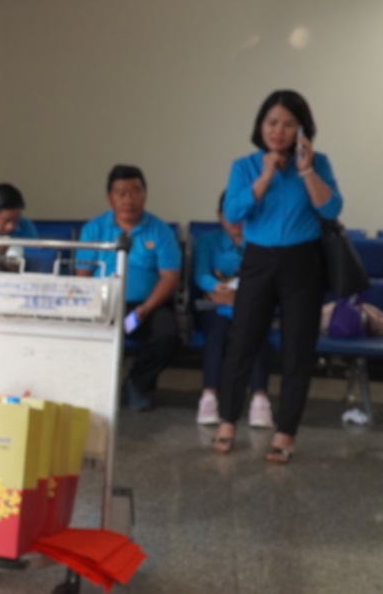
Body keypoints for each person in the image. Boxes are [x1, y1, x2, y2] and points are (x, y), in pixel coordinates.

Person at [211, 90, 342, 464]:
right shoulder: (245, 165)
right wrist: (266, 174)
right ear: (260, 127)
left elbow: (331, 207)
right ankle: (227, 422)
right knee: (242, 343)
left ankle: (285, 433)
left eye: (288, 124)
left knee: (297, 349)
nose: (278, 131)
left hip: (303, 263)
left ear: (302, 129)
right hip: (258, 261)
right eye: (272, 123)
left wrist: (306, 170)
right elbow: (234, 212)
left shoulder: (319, 163)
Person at [75, 165, 182, 411]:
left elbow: (169, 277)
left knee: (168, 335)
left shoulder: (160, 230)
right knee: (84, 332)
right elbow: (83, 276)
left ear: (145, 193)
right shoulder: (94, 229)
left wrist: (144, 309)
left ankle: (137, 383)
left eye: (135, 192)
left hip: (148, 305)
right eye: (121, 193)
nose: (129, 199)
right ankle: (94, 388)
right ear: (109, 197)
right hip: (105, 301)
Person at [192, 191, 274, 427]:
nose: (236, 221)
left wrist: (237, 288)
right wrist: (217, 285)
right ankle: (209, 396)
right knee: (217, 332)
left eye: (242, 215)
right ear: (220, 216)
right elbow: (201, 275)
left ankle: (259, 398)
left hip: (249, 304)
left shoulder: (260, 240)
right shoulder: (208, 240)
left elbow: (263, 277)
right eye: (230, 215)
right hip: (214, 305)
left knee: (255, 331)